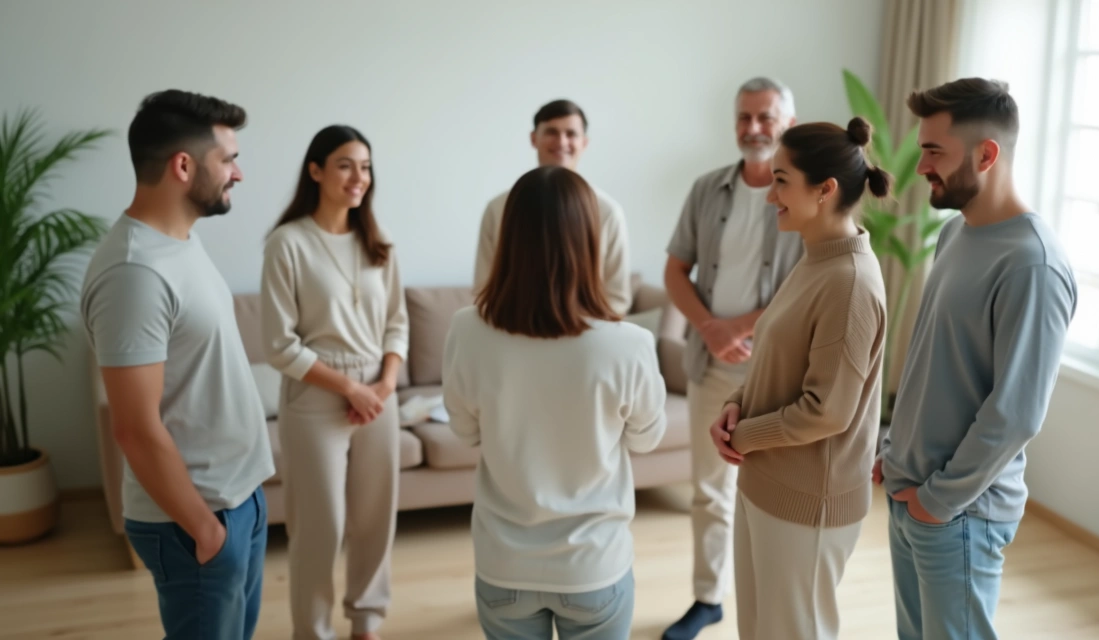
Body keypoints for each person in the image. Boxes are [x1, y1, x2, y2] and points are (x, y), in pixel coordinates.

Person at [874, 78, 1077, 640]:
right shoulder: (954, 233)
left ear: (986, 154)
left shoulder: (1032, 265)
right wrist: (895, 453)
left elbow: (1015, 413)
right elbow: (932, 364)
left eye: (934, 151)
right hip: (911, 492)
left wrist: (937, 502)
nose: (920, 168)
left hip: (959, 512)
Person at [80, 89, 275, 640]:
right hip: (196, 522)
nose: (237, 173)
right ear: (183, 166)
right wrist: (204, 530)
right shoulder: (134, 273)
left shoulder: (178, 244)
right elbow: (135, 427)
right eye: (228, 159)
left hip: (238, 502)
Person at [443, 166, 667, 639]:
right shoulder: (629, 343)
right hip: (594, 568)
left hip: (503, 564)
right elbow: (647, 440)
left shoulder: (466, 329)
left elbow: (464, 433)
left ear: (508, 237)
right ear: (591, 240)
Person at [709, 118, 890, 639]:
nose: (771, 196)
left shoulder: (849, 283)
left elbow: (827, 410)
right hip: (766, 482)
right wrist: (737, 403)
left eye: (781, 180)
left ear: (825, 189)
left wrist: (744, 435)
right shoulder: (814, 256)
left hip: (809, 502)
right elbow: (779, 355)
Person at [661, 76, 804, 640]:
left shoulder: (803, 192)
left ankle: (769, 603)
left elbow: (805, 285)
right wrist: (709, 329)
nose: (753, 128)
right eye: (744, 117)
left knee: (774, 494)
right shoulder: (706, 189)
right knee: (710, 489)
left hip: (777, 368)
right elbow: (676, 269)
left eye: (765, 118)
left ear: (787, 123)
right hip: (711, 363)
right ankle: (708, 598)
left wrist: (737, 328)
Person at [260, 125, 408, 640]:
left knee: (374, 522)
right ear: (316, 170)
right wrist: (350, 390)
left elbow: (397, 323)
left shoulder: (378, 240)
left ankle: (366, 623)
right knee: (318, 530)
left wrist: (385, 386)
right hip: (317, 398)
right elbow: (278, 344)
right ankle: (315, 631)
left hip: (379, 394)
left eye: (365, 166)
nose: (358, 177)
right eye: (345, 164)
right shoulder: (288, 243)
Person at [473, 99, 632, 315]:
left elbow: (617, 297)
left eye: (571, 134)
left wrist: (577, 332)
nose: (561, 141)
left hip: (584, 337)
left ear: (584, 142)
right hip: (513, 334)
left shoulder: (608, 212)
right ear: (533, 138)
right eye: (551, 132)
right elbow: (484, 288)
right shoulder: (498, 208)